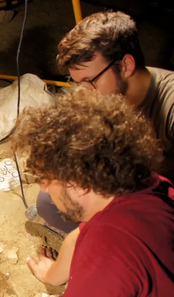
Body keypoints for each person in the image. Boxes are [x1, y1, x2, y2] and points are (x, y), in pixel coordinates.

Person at [12, 88, 173, 297]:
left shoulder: (109, 247)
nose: (43, 186)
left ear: (80, 183)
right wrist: (52, 275)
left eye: (47, 177)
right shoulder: (149, 185)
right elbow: (81, 234)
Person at [33, 10, 174, 234]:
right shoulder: (102, 96)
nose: (85, 93)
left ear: (126, 65)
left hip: (155, 201)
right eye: (77, 83)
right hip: (120, 184)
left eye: (90, 81)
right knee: (48, 202)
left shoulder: (170, 103)